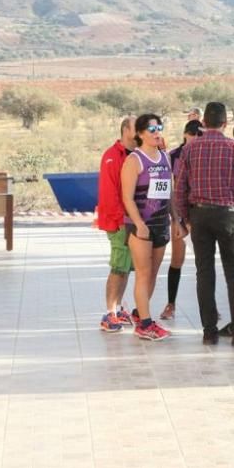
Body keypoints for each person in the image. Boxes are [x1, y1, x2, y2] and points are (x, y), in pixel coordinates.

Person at [173, 101, 234, 347]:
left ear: (204, 122)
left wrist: (185, 218)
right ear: (225, 123)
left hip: (200, 216)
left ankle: (209, 331)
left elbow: (181, 188)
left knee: (204, 273)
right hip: (228, 214)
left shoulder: (190, 149)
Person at [120, 114, 173, 341]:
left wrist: (177, 220)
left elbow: (169, 193)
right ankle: (146, 325)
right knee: (143, 273)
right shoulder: (134, 160)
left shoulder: (165, 158)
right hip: (140, 226)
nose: (156, 132)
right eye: (151, 129)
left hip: (162, 223)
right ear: (140, 134)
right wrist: (139, 224)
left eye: (159, 127)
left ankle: (141, 315)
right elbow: (127, 197)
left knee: (152, 273)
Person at [160, 120, 202, 320]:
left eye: (199, 134)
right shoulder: (174, 156)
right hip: (180, 215)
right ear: (185, 134)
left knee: (204, 263)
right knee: (177, 260)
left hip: (201, 214)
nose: (195, 138)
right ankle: (171, 304)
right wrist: (175, 218)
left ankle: (209, 307)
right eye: (192, 134)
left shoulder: (206, 155)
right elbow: (171, 188)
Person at [98, 116, 137, 332]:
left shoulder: (139, 153)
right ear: (125, 130)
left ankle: (119, 308)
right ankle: (109, 312)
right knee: (118, 267)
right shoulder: (113, 156)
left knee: (126, 268)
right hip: (119, 222)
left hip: (133, 222)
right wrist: (120, 221)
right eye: (136, 127)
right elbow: (109, 193)